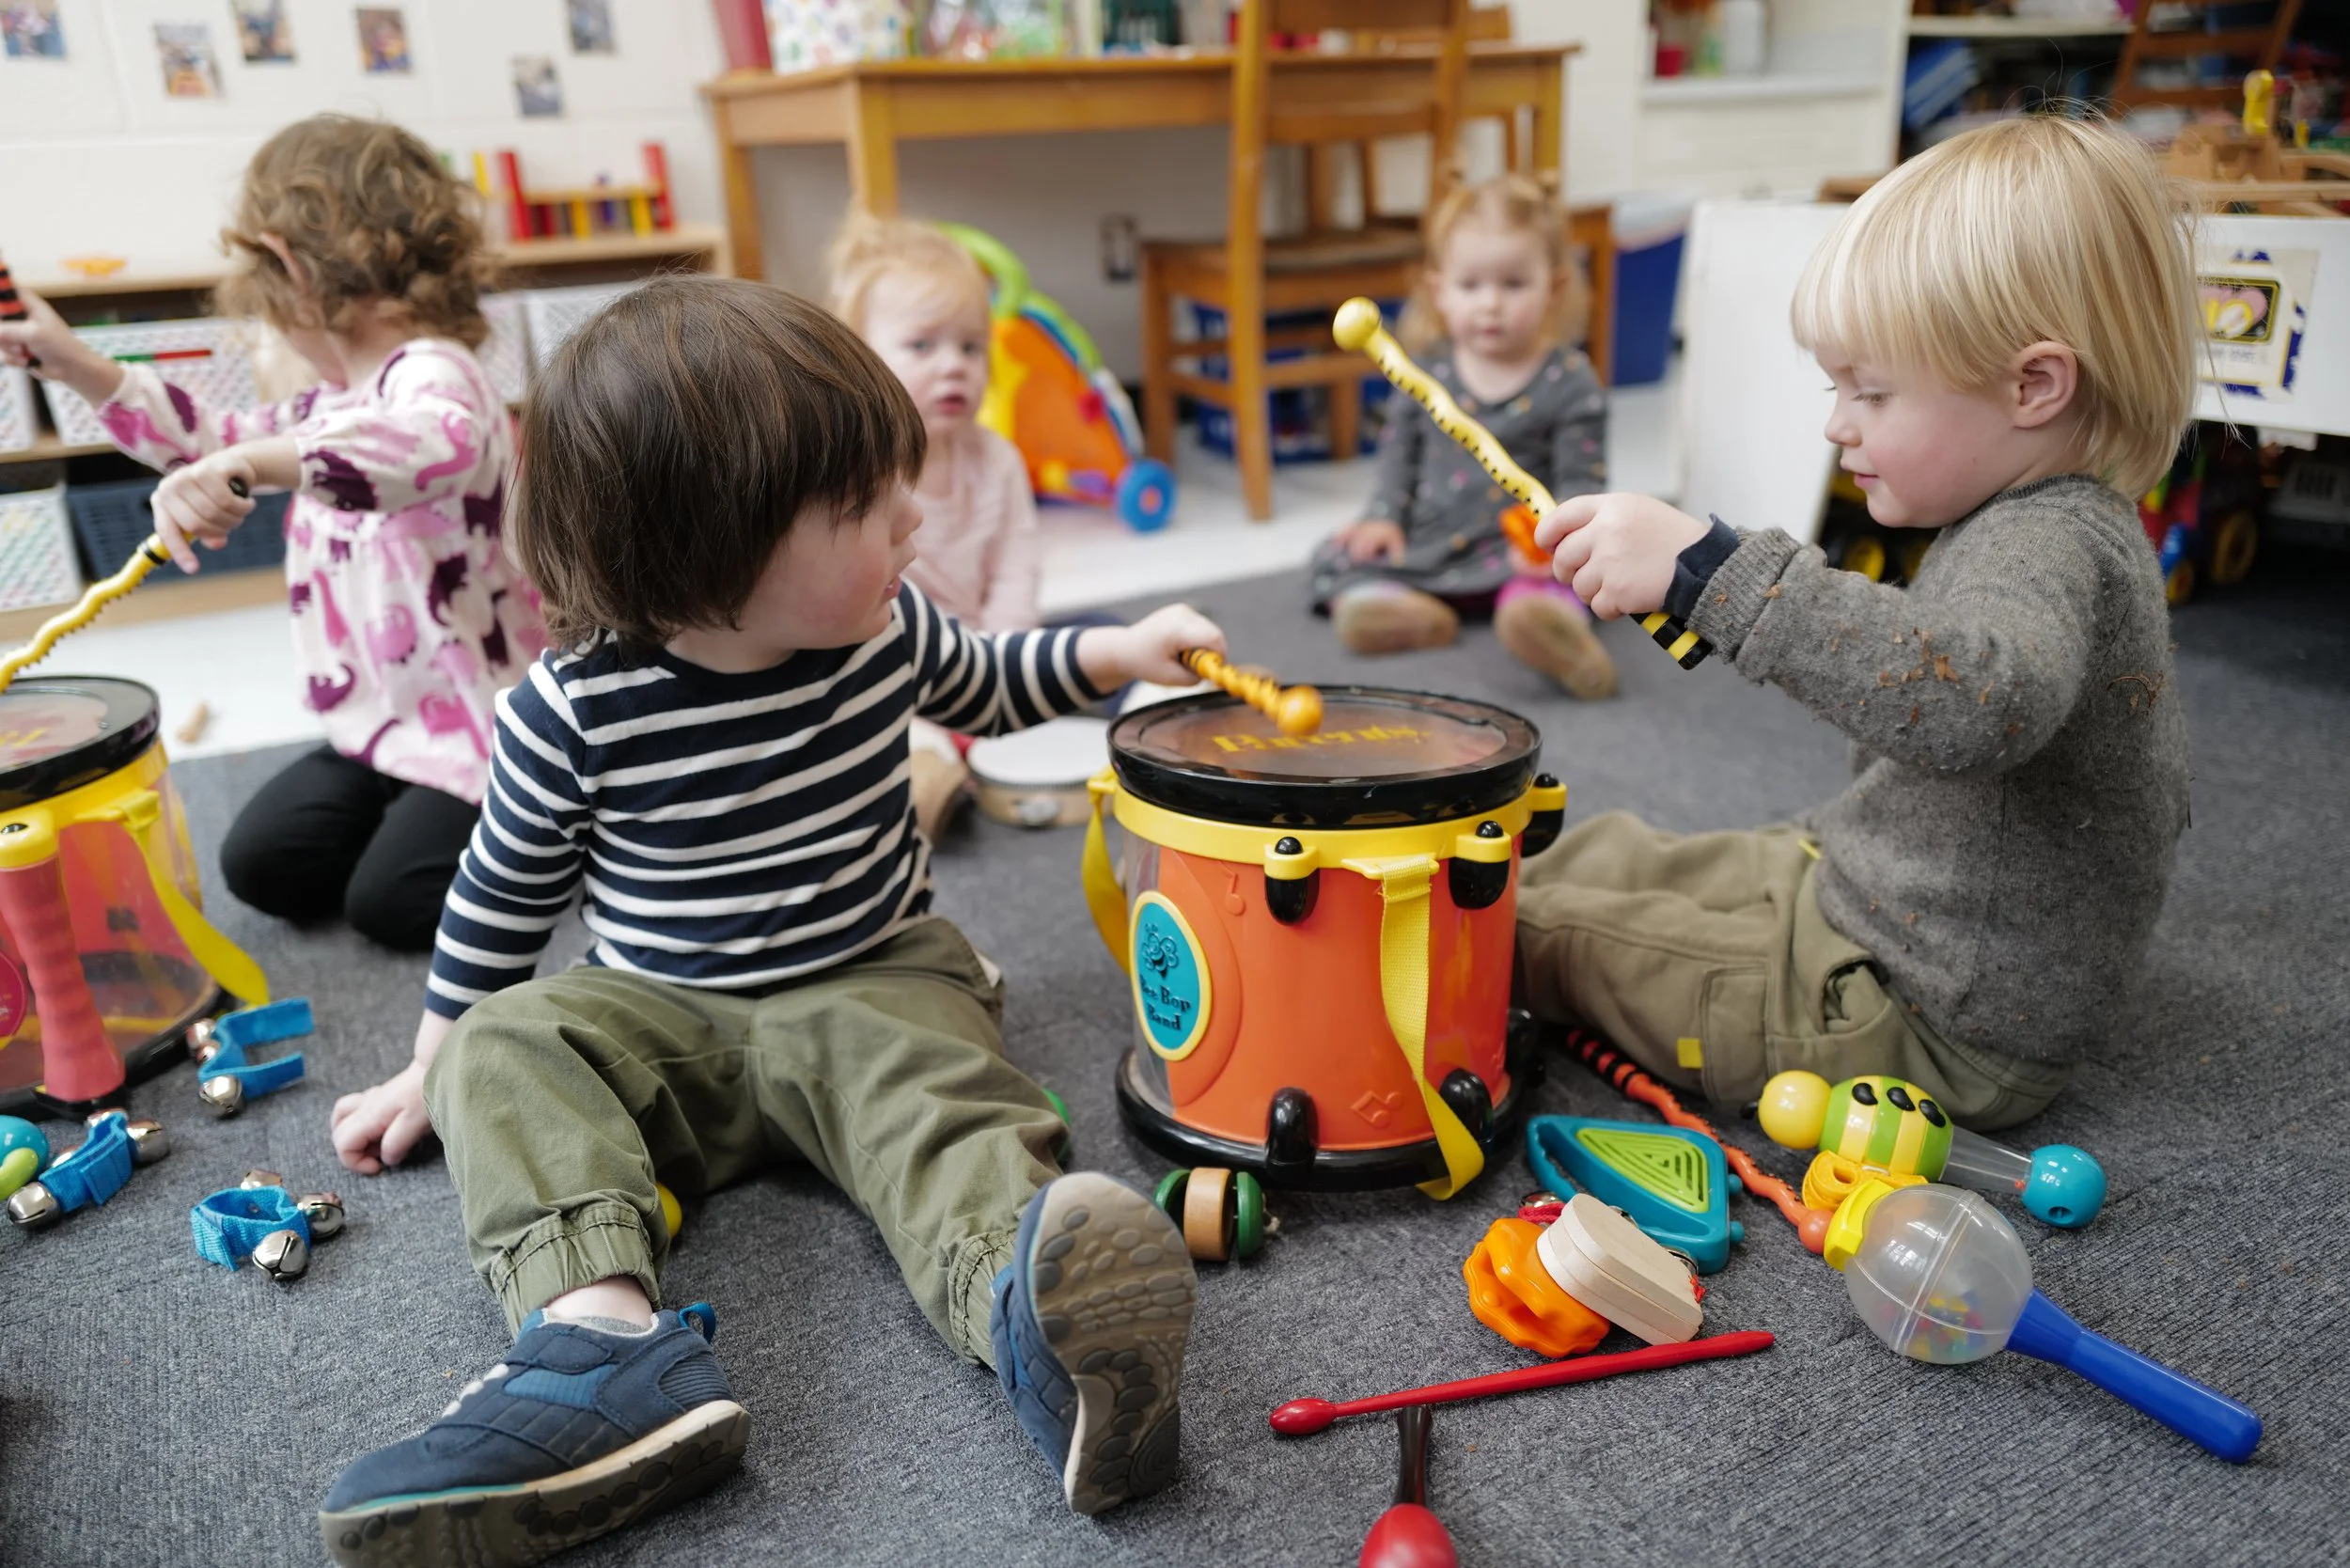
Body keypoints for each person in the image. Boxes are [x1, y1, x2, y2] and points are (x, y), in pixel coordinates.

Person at [316, 277, 1207, 1566]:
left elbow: (997, 680)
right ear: (704, 548)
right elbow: (501, 900)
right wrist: (430, 1058)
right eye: (862, 503)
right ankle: (599, 1344)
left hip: (876, 978)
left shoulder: (886, 626)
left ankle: (1041, 1325)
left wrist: (1118, 653)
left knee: (946, 1110)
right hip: (664, 1013)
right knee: (508, 1045)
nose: (914, 513)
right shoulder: (573, 711)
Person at [1516, 116, 2197, 1131]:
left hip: (1926, 1015)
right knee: (1610, 855)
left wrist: (1710, 574)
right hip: (1874, 894)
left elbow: (1972, 700)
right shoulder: (2031, 515)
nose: (1836, 424)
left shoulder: (2046, 547)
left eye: (1871, 391)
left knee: (1540, 933)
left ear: (2033, 386)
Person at [0, 115, 544, 951]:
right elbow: (209, 439)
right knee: (261, 866)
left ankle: (558, 826)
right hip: (377, 728)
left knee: (388, 906)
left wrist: (262, 458)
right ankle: (424, 826)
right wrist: (73, 361)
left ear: (285, 263)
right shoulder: (329, 399)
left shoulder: (437, 373)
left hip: (477, 728)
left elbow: (432, 444)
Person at [1311, 172, 1617, 699]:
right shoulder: (1424, 372)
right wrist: (1382, 518)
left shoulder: (1571, 382)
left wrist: (1552, 546)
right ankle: (1408, 613)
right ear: (1439, 293)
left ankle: (1546, 626)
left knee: (1582, 572)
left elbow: (1581, 483)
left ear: (1555, 288)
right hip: (1430, 543)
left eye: (1513, 284)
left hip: (1519, 554)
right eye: (1471, 286)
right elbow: (1397, 458)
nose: (1490, 304)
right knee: (1335, 553)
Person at [827, 212, 1045, 835]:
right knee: (866, 710)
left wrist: (1004, 657)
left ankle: (1156, 700)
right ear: (860, 358)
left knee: (1098, 641)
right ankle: (930, 776)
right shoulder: (860, 469)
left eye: (970, 347)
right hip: (896, 664)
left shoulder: (997, 458)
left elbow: (1017, 565)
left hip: (986, 656)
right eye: (923, 345)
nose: (953, 366)